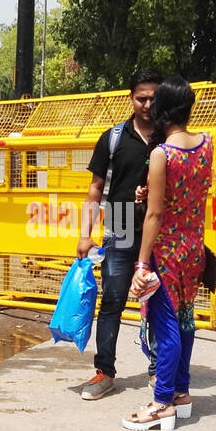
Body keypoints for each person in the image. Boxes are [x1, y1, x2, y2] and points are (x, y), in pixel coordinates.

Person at [125, 77, 212, 431]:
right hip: (195, 247)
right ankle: (181, 393)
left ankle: (161, 403)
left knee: (166, 325)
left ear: (162, 110)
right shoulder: (207, 143)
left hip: (168, 251)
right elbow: (191, 192)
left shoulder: (162, 154)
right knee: (187, 319)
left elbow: (156, 215)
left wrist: (143, 262)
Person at [76, 69, 164, 400]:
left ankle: (158, 372)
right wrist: (86, 235)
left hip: (159, 232)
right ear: (131, 99)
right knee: (112, 301)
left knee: (157, 302)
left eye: (154, 98)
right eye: (141, 98)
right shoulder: (112, 138)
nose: (147, 104)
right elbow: (95, 189)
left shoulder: (168, 138)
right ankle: (104, 372)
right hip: (121, 226)